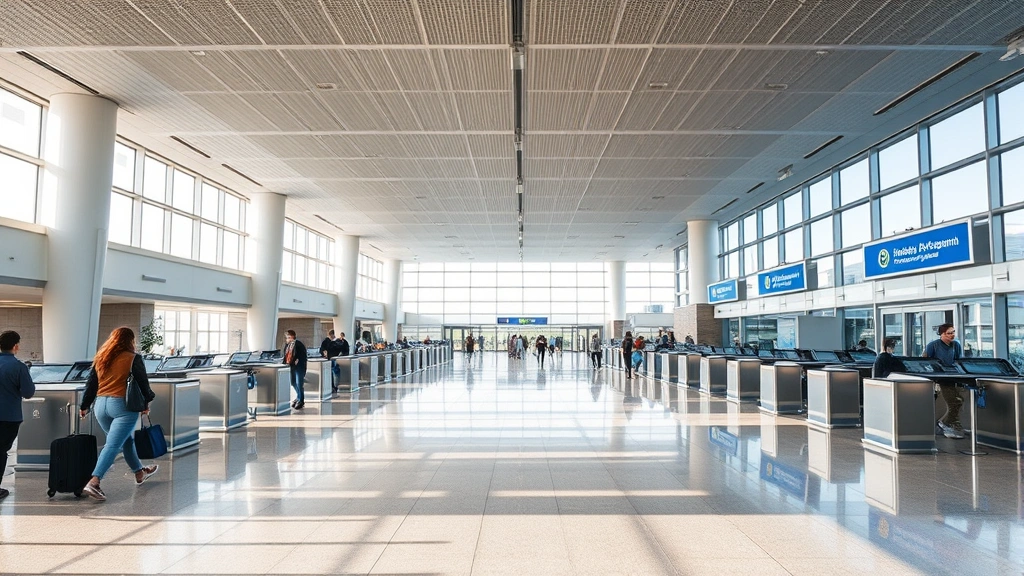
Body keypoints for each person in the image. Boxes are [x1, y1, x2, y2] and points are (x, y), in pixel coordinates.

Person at [79, 327, 158, 501]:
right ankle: (94, 481)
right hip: (122, 407)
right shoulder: (133, 358)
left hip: (100, 405)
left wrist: (84, 405)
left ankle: (139, 473)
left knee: (125, 440)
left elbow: (91, 384)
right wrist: (147, 402)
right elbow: (143, 384)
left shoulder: (101, 357)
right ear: (130, 341)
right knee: (112, 445)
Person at [0, 331, 34, 501]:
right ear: (16, 346)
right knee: (1, 451)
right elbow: (28, 393)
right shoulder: (19, 367)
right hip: (8, 416)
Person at [924, 323, 965, 439]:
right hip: (939, 377)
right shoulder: (933, 345)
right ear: (942, 334)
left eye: (953, 332)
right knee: (955, 401)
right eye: (949, 333)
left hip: (952, 376)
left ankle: (946, 422)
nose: (952, 335)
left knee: (957, 401)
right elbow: (926, 361)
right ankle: (946, 423)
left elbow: (958, 361)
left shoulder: (956, 345)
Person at [283, 330, 308, 410]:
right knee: (293, 382)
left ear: (293, 336)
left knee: (299, 383)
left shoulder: (298, 344)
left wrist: (298, 361)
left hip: (299, 367)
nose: (287, 339)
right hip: (292, 366)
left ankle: (301, 400)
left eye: (289, 337)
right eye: (287, 337)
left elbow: (303, 356)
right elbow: (286, 355)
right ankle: (298, 396)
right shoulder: (288, 345)